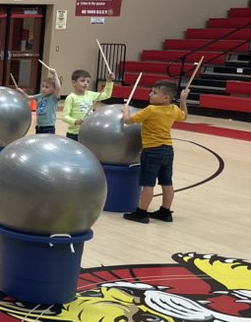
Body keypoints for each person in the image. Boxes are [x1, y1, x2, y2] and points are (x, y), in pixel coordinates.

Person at [121, 80, 189, 223]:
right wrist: (183, 100)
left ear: (165, 98)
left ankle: (141, 213)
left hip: (152, 151)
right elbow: (184, 116)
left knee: (148, 183)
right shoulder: (173, 109)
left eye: (155, 92)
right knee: (167, 182)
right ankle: (165, 212)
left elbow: (128, 121)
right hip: (168, 151)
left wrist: (125, 110)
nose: (150, 94)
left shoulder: (150, 110)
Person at [62, 68, 115, 141]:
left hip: (88, 131)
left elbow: (106, 95)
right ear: (74, 83)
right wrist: (75, 121)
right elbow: (65, 117)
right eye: (82, 81)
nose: (86, 83)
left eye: (88, 81)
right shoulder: (71, 98)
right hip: (74, 133)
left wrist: (109, 81)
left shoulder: (90, 94)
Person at [14, 70, 62, 134]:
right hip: (39, 126)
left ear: (54, 89)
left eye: (47, 87)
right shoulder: (40, 96)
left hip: (49, 127)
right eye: (43, 86)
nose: (43, 89)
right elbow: (27, 97)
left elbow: (58, 87)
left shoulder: (53, 97)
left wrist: (54, 74)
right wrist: (21, 91)